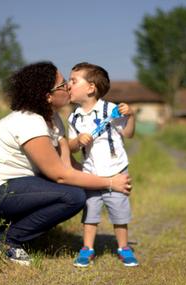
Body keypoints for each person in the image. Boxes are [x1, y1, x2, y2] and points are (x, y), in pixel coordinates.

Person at [0, 61, 132, 266]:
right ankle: (8, 240)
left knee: (71, 189)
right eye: (62, 85)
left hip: (14, 185)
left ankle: (11, 232)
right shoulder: (29, 121)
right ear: (48, 96)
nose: (68, 86)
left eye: (69, 82)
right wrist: (110, 183)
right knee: (73, 196)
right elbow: (61, 175)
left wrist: (109, 176)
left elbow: (69, 166)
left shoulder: (54, 119)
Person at [67, 62, 138, 267]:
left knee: (119, 211)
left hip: (116, 170)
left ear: (91, 88)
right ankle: (87, 248)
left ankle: (123, 247)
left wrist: (130, 116)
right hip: (91, 173)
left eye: (73, 81)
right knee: (90, 212)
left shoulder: (111, 109)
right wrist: (77, 141)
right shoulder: (74, 118)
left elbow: (128, 134)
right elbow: (70, 147)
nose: (68, 85)